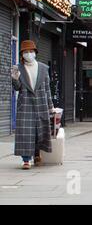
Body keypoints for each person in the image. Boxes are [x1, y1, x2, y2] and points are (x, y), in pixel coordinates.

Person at [11, 40, 55, 170]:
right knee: (26, 132)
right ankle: (26, 160)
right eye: (26, 52)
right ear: (22, 54)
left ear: (35, 53)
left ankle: (37, 154)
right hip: (25, 105)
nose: (29, 54)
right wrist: (14, 79)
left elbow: (47, 88)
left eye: (31, 51)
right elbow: (18, 88)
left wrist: (50, 106)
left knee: (39, 131)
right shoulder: (17, 68)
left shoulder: (43, 68)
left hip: (41, 103)